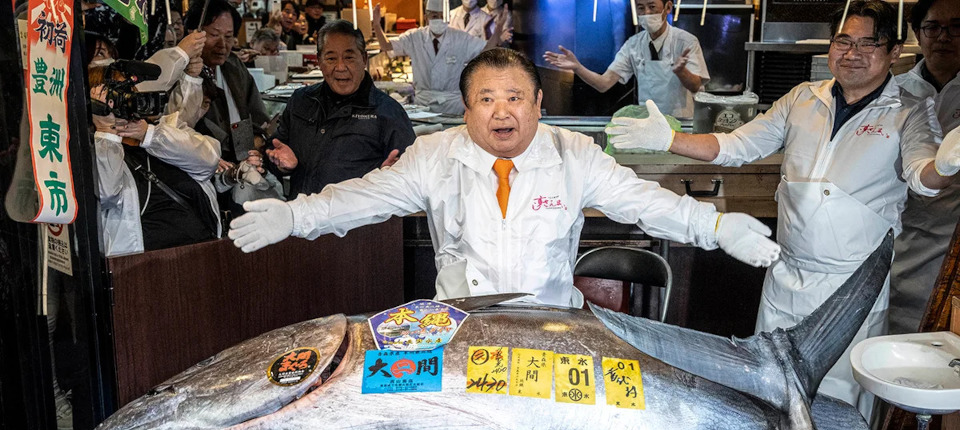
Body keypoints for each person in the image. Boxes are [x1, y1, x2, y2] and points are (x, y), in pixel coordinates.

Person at [603, 0, 960, 422]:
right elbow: (736, 146)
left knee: (837, 408)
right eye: (843, 41)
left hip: (851, 288)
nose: (852, 53)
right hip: (785, 276)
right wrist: (668, 140)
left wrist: (945, 164)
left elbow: (922, 176)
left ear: (894, 51)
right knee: (771, 396)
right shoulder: (801, 99)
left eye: (868, 43)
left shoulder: (909, 110)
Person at [229, 49, 780, 307]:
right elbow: (364, 198)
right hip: (459, 331)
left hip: (551, 329)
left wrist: (714, 227)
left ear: (538, 104)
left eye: (514, 98)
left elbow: (642, 202)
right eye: (486, 100)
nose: (501, 113)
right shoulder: (433, 155)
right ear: (465, 110)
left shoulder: (573, 154)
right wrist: (296, 215)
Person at [265, 20, 416, 197]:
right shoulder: (301, 101)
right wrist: (281, 166)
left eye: (349, 57)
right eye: (331, 58)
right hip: (302, 218)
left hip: (360, 222)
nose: (340, 67)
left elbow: (412, 176)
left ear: (364, 59)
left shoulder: (388, 112)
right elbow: (274, 152)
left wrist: (388, 180)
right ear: (319, 61)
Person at [90, 66, 222, 256]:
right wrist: (106, 132)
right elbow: (105, 194)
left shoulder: (164, 129)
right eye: (113, 96)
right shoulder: (94, 149)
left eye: (129, 93)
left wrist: (148, 135)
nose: (124, 101)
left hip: (204, 254)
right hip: (144, 269)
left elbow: (208, 160)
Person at [889, 0, 960, 334]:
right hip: (903, 234)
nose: (944, 37)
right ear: (918, 33)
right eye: (933, 27)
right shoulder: (896, 90)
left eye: (956, 27)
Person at [543, 0, 708, 119]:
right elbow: (603, 83)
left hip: (684, 122)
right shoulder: (634, 44)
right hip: (650, 123)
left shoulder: (686, 41)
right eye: (641, 8)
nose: (646, 14)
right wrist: (578, 67)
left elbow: (695, 85)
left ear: (668, 7)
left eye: (652, 7)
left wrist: (681, 71)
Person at [372, 0, 506, 115]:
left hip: (452, 106)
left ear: (447, 18)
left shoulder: (460, 38)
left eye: (441, 16)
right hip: (423, 106)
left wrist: (499, 28)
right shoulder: (415, 37)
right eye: (434, 15)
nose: (438, 19)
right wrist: (377, 25)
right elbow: (387, 47)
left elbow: (486, 50)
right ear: (426, 17)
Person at [185, 0, 270, 164]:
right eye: (214, 35)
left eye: (229, 36)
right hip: (206, 165)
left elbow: (257, 112)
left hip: (246, 161)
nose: (222, 45)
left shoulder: (234, 66)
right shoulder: (184, 73)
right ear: (192, 34)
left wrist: (259, 136)